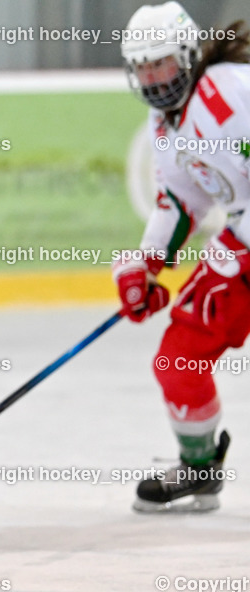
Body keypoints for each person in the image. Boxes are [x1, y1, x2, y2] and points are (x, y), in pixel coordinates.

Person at [113, 1, 250, 512]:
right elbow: (181, 200)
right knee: (179, 356)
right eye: (143, 66)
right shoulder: (165, 121)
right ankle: (199, 467)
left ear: (189, 56)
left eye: (162, 63)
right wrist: (144, 264)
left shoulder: (234, 91)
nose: (153, 77)